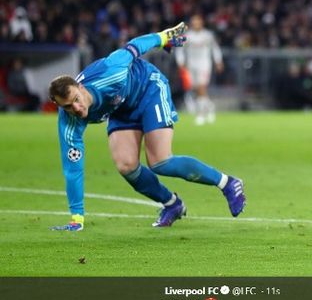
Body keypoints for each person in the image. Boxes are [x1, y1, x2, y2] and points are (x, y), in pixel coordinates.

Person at [48, 22, 245, 231]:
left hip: (148, 88)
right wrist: (76, 218)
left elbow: (133, 47)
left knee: (160, 162)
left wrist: (162, 38)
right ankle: (172, 204)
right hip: (120, 109)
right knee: (126, 165)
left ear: (80, 87)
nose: (76, 108)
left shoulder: (110, 71)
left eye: (76, 99)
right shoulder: (69, 120)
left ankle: (227, 183)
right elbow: (72, 168)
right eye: (68, 106)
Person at [174, 14, 224, 125]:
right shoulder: (187, 36)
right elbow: (179, 50)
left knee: (201, 87)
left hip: (204, 64)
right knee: (196, 89)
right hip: (191, 65)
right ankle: (210, 107)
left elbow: (215, 49)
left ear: (201, 22)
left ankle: (200, 115)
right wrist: (181, 63)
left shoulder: (208, 35)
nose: (195, 24)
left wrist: (218, 61)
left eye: (197, 21)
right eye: (194, 22)